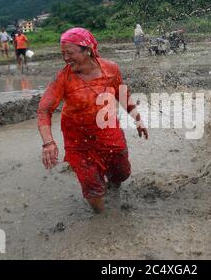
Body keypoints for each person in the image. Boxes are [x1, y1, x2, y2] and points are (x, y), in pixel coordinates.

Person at [37, 27, 148, 213]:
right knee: (92, 187)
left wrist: (138, 119)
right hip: (78, 140)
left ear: (87, 50)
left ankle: (112, 185)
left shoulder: (111, 69)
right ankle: (102, 222)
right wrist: (48, 143)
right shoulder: (63, 78)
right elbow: (44, 110)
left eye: (70, 53)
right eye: (62, 54)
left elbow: (123, 94)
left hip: (108, 133)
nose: (66, 58)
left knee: (121, 173)